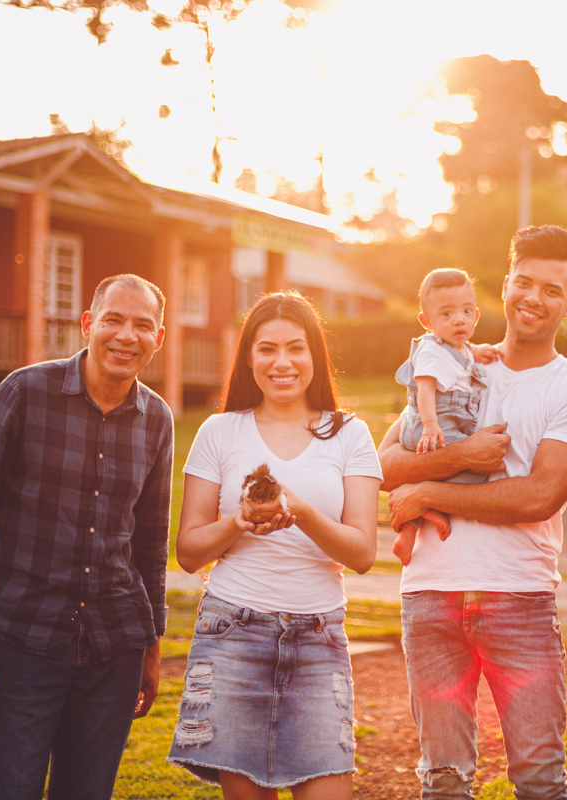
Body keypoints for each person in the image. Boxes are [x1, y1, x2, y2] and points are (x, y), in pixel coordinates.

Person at [0, 274, 173, 800]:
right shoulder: (24, 392)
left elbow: (149, 541)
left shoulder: (158, 420)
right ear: (88, 325)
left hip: (113, 647)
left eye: (142, 325)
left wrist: (150, 646)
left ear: (159, 339)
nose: (127, 335)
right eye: (114, 320)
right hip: (23, 644)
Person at [381, 225, 567, 800]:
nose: (534, 298)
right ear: (504, 286)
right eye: (524, 282)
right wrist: (458, 456)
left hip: (519, 601)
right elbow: (381, 465)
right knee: (444, 780)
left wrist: (430, 493)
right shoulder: (451, 360)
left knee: (538, 778)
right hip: (430, 597)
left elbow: (538, 497)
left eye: (551, 290)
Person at [167, 292, 381, 800]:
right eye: (267, 349)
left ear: (314, 358)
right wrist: (238, 521)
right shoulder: (219, 431)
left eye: (295, 348)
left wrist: (301, 512)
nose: (281, 362)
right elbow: (190, 551)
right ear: (248, 358)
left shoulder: (351, 434)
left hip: (318, 639)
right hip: (231, 635)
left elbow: (363, 553)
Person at [392, 267, 495, 565]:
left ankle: (408, 533)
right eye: (447, 314)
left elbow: (459, 353)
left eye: (465, 311)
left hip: (439, 423)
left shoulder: (459, 347)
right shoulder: (429, 350)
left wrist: (478, 350)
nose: (458, 320)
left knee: (459, 464)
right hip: (432, 425)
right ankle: (427, 501)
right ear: (428, 322)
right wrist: (430, 426)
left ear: (476, 315)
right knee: (475, 469)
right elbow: (424, 390)